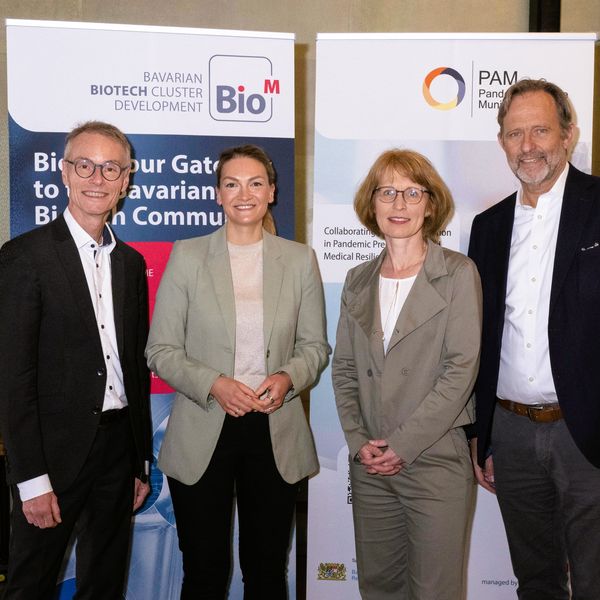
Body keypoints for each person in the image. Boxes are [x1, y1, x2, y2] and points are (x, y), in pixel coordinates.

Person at [145, 144, 329, 600]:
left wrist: (287, 378)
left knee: (267, 573)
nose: (244, 194)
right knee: (204, 573)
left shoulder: (299, 259)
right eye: (232, 184)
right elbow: (160, 350)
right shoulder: (188, 256)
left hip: (274, 430)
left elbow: (314, 347)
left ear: (272, 192)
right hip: (202, 428)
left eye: (255, 183)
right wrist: (214, 384)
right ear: (218, 194)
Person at [0, 121, 152, 599]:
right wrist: (30, 480)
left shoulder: (130, 264)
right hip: (52, 456)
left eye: (111, 168)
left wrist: (139, 463)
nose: (97, 179)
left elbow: (134, 370)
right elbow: (13, 379)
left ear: (125, 180)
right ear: (64, 173)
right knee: (30, 584)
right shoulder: (25, 257)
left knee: (104, 584)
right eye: (85, 165)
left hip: (118, 450)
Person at [468, 78, 600, 599]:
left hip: (587, 434)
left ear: (568, 135)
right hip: (512, 434)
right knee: (536, 582)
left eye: (540, 131)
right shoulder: (488, 226)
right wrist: (482, 433)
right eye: (514, 133)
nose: (527, 146)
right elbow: (481, 336)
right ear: (502, 142)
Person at [332, 149, 482, 599]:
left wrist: (402, 445)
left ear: (430, 205)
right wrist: (358, 441)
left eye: (413, 193)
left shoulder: (458, 274)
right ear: (372, 203)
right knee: (378, 587)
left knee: (435, 591)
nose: (399, 204)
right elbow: (344, 369)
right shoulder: (357, 279)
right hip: (371, 465)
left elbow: (460, 370)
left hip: (434, 460)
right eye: (387, 192)